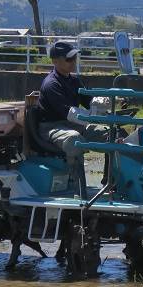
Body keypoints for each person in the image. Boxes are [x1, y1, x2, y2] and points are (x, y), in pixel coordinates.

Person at [37, 41, 110, 196]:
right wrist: (93, 116)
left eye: (74, 58)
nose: (73, 62)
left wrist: (104, 103)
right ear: (55, 61)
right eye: (69, 59)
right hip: (53, 127)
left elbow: (89, 102)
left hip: (73, 124)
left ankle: (110, 184)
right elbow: (70, 113)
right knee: (74, 140)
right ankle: (79, 191)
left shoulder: (74, 80)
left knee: (112, 134)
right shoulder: (51, 84)